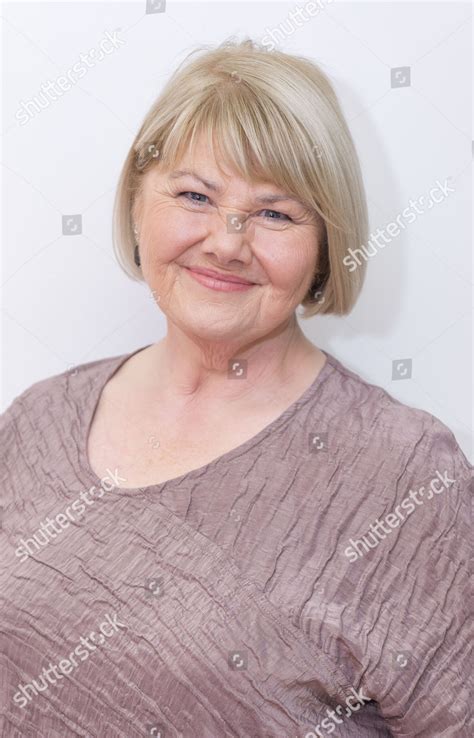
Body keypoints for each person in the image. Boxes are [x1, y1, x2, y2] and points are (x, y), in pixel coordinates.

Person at [1, 38, 471, 738]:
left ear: (323, 249)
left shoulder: (408, 477)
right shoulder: (39, 420)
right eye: (194, 195)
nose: (226, 242)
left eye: (275, 214)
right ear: (137, 203)